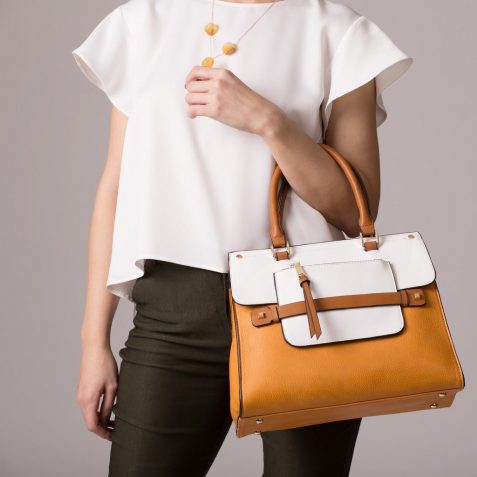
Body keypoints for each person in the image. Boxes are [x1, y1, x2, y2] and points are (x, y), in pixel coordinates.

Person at [71, 0, 413, 475]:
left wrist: (269, 123)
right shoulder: (143, 22)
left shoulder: (337, 31)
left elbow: (357, 213)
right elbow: (115, 185)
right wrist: (94, 344)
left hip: (309, 313)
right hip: (174, 314)